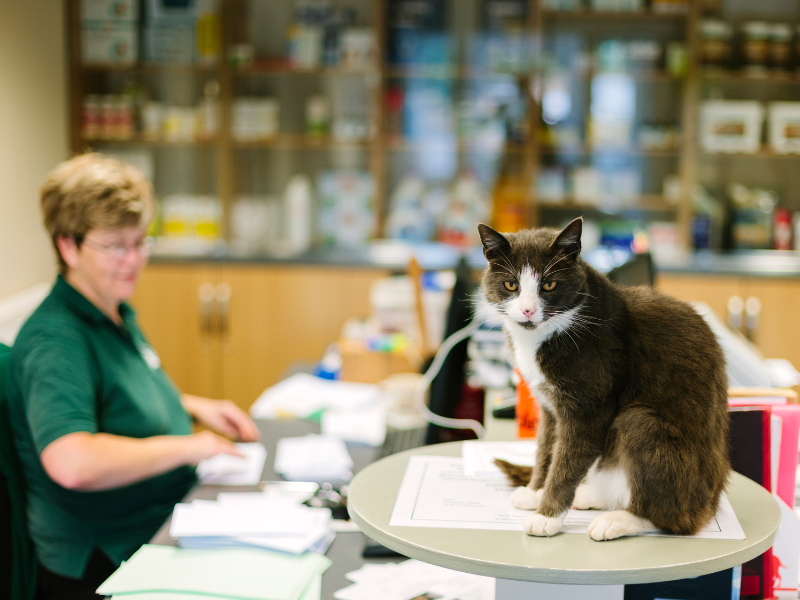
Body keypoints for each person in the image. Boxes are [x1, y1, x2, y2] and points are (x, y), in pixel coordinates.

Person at [5, 153, 261, 599]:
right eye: (115, 245)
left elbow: (116, 394)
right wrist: (189, 446)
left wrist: (195, 407)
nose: (134, 260)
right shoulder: (56, 340)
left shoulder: (111, 308)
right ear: (68, 246)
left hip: (159, 522)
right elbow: (72, 460)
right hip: (106, 558)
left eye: (141, 241)